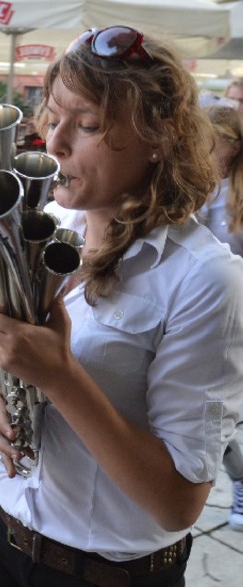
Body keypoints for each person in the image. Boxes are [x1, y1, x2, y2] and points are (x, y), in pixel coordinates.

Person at [0, 26, 243, 586]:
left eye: (86, 126)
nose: (54, 143)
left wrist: (61, 377)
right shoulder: (54, 224)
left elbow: (178, 504)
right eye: (52, 116)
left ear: (159, 137)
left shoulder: (206, 280)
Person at [199, 104, 243, 532]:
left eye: (215, 142)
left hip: (239, 313)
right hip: (205, 313)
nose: (207, 149)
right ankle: (239, 475)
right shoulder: (196, 185)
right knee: (214, 415)